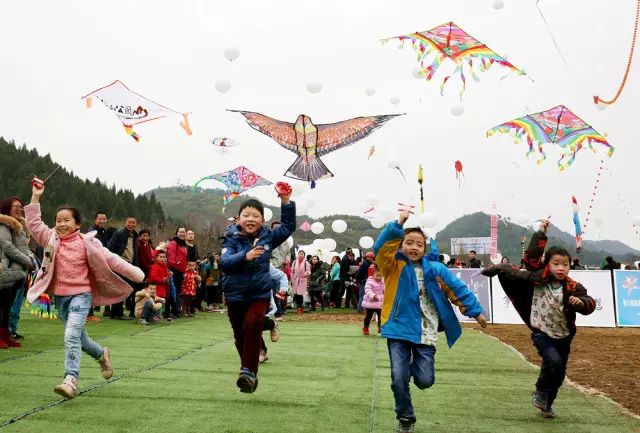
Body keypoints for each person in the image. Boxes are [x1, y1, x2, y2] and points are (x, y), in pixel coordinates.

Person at [25, 184, 144, 399]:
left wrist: (137, 274)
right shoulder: (51, 240)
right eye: (58, 220)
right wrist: (35, 197)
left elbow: (112, 259)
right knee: (80, 338)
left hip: (82, 295)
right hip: (60, 298)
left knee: (70, 334)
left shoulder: (88, 243)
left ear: (77, 224)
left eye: (66, 220)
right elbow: (33, 224)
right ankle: (101, 353)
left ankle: (70, 379)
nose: (61, 224)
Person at [375, 210, 487, 433]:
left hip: (426, 332)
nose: (414, 247)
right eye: (409, 243)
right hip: (398, 330)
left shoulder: (436, 269)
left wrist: (475, 310)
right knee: (399, 378)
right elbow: (381, 247)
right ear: (400, 245)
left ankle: (415, 374)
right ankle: (405, 416)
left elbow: (458, 290)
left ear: (425, 248)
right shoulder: (393, 266)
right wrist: (399, 223)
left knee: (424, 380)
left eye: (419, 244)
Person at [482, 219, 596, 419]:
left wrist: (582, 304)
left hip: (564, 335)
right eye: (556, 264)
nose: (561, 268)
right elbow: (531, 257)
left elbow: (589, 302)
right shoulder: (538, 277)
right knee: (552, 361)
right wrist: (540, 234)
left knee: (558, 372)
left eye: (565, 265)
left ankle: (547, 403)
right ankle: (540, 391)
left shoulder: (573, 287)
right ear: (548, 264)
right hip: (541, 331)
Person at [219, 189, 295, 394]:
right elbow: (225, 263)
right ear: (239, 218)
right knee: (240, 335)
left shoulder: (268, 237)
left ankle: (248, 372)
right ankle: (249, 373)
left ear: (262, 220)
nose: (251, 219)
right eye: (246, 215)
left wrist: (286, 201)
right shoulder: (230, 238)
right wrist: (246, 255)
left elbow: (288, 227)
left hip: (258, 294)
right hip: (235, 295)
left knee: (253, 324)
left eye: (256, 216)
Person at [0, 197, 34, 348]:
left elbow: (24, 247)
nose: (19, 209)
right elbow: (7, 247)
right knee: (1, 306)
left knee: (7, 307)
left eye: (21, 206)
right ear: (7, 208)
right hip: (6, 271)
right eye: (16, 207)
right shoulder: (4, 225)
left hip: (17, 272)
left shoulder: (18, 226)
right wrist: (27, 261)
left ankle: (6, 336)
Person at [107, 216, 139, 319]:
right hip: (120, 265)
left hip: (130, 265)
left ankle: (119, 312)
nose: (131, 224)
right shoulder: (119, 234)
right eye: (129, 222)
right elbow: (110, 248)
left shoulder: (135, 236)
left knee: (127, 289)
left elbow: (135, 253)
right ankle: (116, 313)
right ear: (125, 223)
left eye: (133, 222)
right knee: (119, 288)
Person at [85, 211, 115, 321]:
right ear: (95, 220)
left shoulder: (104, 231)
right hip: (93, 263)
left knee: (100, 287)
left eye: (104, 219)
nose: (102, 221)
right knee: (90, 288)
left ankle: (103, 308)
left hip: (101, 263)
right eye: (100, 219)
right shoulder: (92, 232)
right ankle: (89, 314)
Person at [259, 264, 287, 364]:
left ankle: (262, 351)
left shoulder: (265, 265)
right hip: (244, 299)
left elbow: (282, 276)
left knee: (256, 324)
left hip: (263, 298)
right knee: (248, 326)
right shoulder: (238, 260)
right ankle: (272, 325)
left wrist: (283, 288)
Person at [147, 249, 177, 321]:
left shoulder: (164, 266)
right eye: (160, 257)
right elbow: (153, 277)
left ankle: (158, 315)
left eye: (164, 257)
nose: (162, 258)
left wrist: (168, 275)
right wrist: (162, 279)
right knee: (155, 302)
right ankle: (153, 316)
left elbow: (166, 276)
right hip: (156, 288)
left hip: (163, 288)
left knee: (160, 303)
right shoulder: (155, 266)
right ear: (157, 257)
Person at [167, 227, 188, 315]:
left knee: (177, 290)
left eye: (184, 232)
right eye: (180, 232)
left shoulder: (183, 245)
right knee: (172, 290)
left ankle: (176, 310)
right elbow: (171, 257)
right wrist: (173, 267)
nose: (182, 234)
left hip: (180, 271)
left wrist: (183, 270)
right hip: (174, 270)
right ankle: (171, 311)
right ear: (177, 233)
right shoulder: (174, 243)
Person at [362, 264, 384, 335]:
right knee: (368, 316)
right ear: (373, 276)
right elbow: (367, 290)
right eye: (377, 276)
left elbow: (385, 291)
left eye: (380, 276)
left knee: (381, 317)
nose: (379, 278)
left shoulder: (383, 282)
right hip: (370, 303)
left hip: (379, 303)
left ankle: (381, 328)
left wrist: (383, 297)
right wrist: (373, 296)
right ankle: (366, 327)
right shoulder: (370, 281)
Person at [291, 250, 310, 315]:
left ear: (304, 255)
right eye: (300, 254)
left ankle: (299, 307)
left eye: (302, 254)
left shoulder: (306, 263)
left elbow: (309, 271)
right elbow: (292, 270)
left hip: (302, 279)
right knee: (295, 294)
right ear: (298, 255)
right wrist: (292, 278)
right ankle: (298, 306)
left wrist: (305, 273)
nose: (301, 255)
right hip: (295, 279)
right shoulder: (294, 262)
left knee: (300, 294)